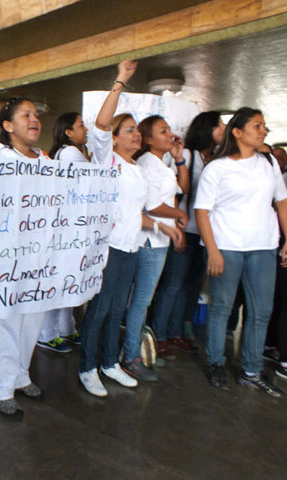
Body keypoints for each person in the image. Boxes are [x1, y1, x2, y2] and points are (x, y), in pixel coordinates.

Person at [77, 61, 182, 397]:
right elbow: (102, 124)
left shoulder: (136, 167)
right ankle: (87, 368)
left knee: (118, 308)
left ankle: (110, 363)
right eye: (129, 131)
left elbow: (136, 213)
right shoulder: (107, 159)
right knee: (101, 308)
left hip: (131, 247)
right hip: (107, 248)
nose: (136, 134)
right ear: (114, 139)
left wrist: (162, 228)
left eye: (138, 130)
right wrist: (121, 80)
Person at [195, 107, 287, 397]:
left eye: (264, 125)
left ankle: (251, 370)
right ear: (238, 132)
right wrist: (212, 250)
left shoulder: (268, 163)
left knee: (261, 311)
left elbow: (282, 201)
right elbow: (201, 211)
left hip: (263, 246)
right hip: (227, 246)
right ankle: (215, 363)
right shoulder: (217, 168)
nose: (263, 131)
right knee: (222, 308)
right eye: (257, 125)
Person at [0, 96, 48, 418]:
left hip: (38, 254)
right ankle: (3, 387)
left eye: (35, 114)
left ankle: (22, 375)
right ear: (8, 126)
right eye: (25, 115)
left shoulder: (44, 159)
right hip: (7, 256)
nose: (34, 119)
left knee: (33, 318)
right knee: (7, 321)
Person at [150, 112, 225, 359]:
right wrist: (175, 224)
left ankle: (175, 332)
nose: (223, 128)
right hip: (182, 229)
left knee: (189, 286)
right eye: (219, 125)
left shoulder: (213, 159)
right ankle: (159, 335)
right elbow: (176, 191)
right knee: (173, 284)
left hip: (202, 233)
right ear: (207, 128)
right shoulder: (188, 156)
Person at [120, 115, 189, 381]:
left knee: (139, 300)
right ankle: (131, 357)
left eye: (170, 129)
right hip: (149, 239)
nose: (170, 133)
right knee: (140, 301)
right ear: (149, 139)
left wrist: (179, 157)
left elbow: (183, 186)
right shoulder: (148, 163)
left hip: (159, 238)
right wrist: (177, 216)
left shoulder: (163, 163)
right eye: (163, 131)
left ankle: (132, 352)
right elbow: (151, 206)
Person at [36, 109, 93, 353]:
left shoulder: (62, 151)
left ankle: (64, 329)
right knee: (62, 280)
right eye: (81, 125)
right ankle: (49, 334)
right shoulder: (71, 153)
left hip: (62, 225)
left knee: (64, 280)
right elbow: (92, 179)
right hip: (67, 227)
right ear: (68, 132)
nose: (86, 129)